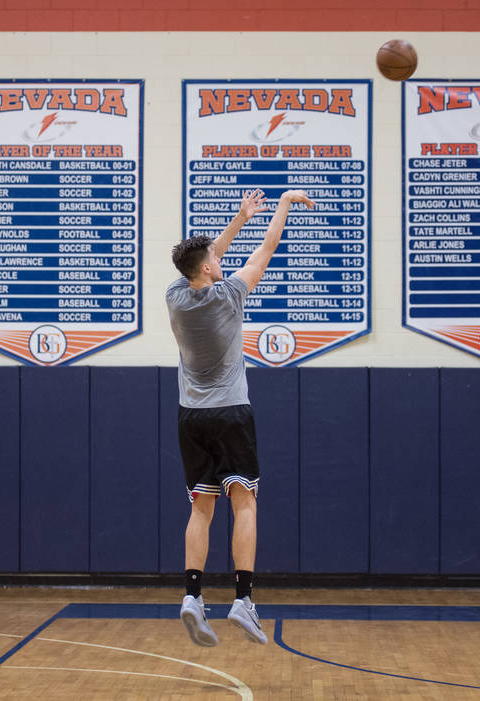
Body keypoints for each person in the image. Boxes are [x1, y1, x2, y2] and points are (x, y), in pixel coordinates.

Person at [166, 188, 316, 646]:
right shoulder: (229, 295)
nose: (219, 259)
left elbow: (206, 259)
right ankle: (243, 600)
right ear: (210, 269)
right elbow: (266, 249)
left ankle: (192, 597)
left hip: (191, 417)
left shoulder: (175, 295)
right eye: (214, 257)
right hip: (231, 412)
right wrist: (283, 205)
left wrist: (239, 217)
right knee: (244, 503)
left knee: (201, 507)